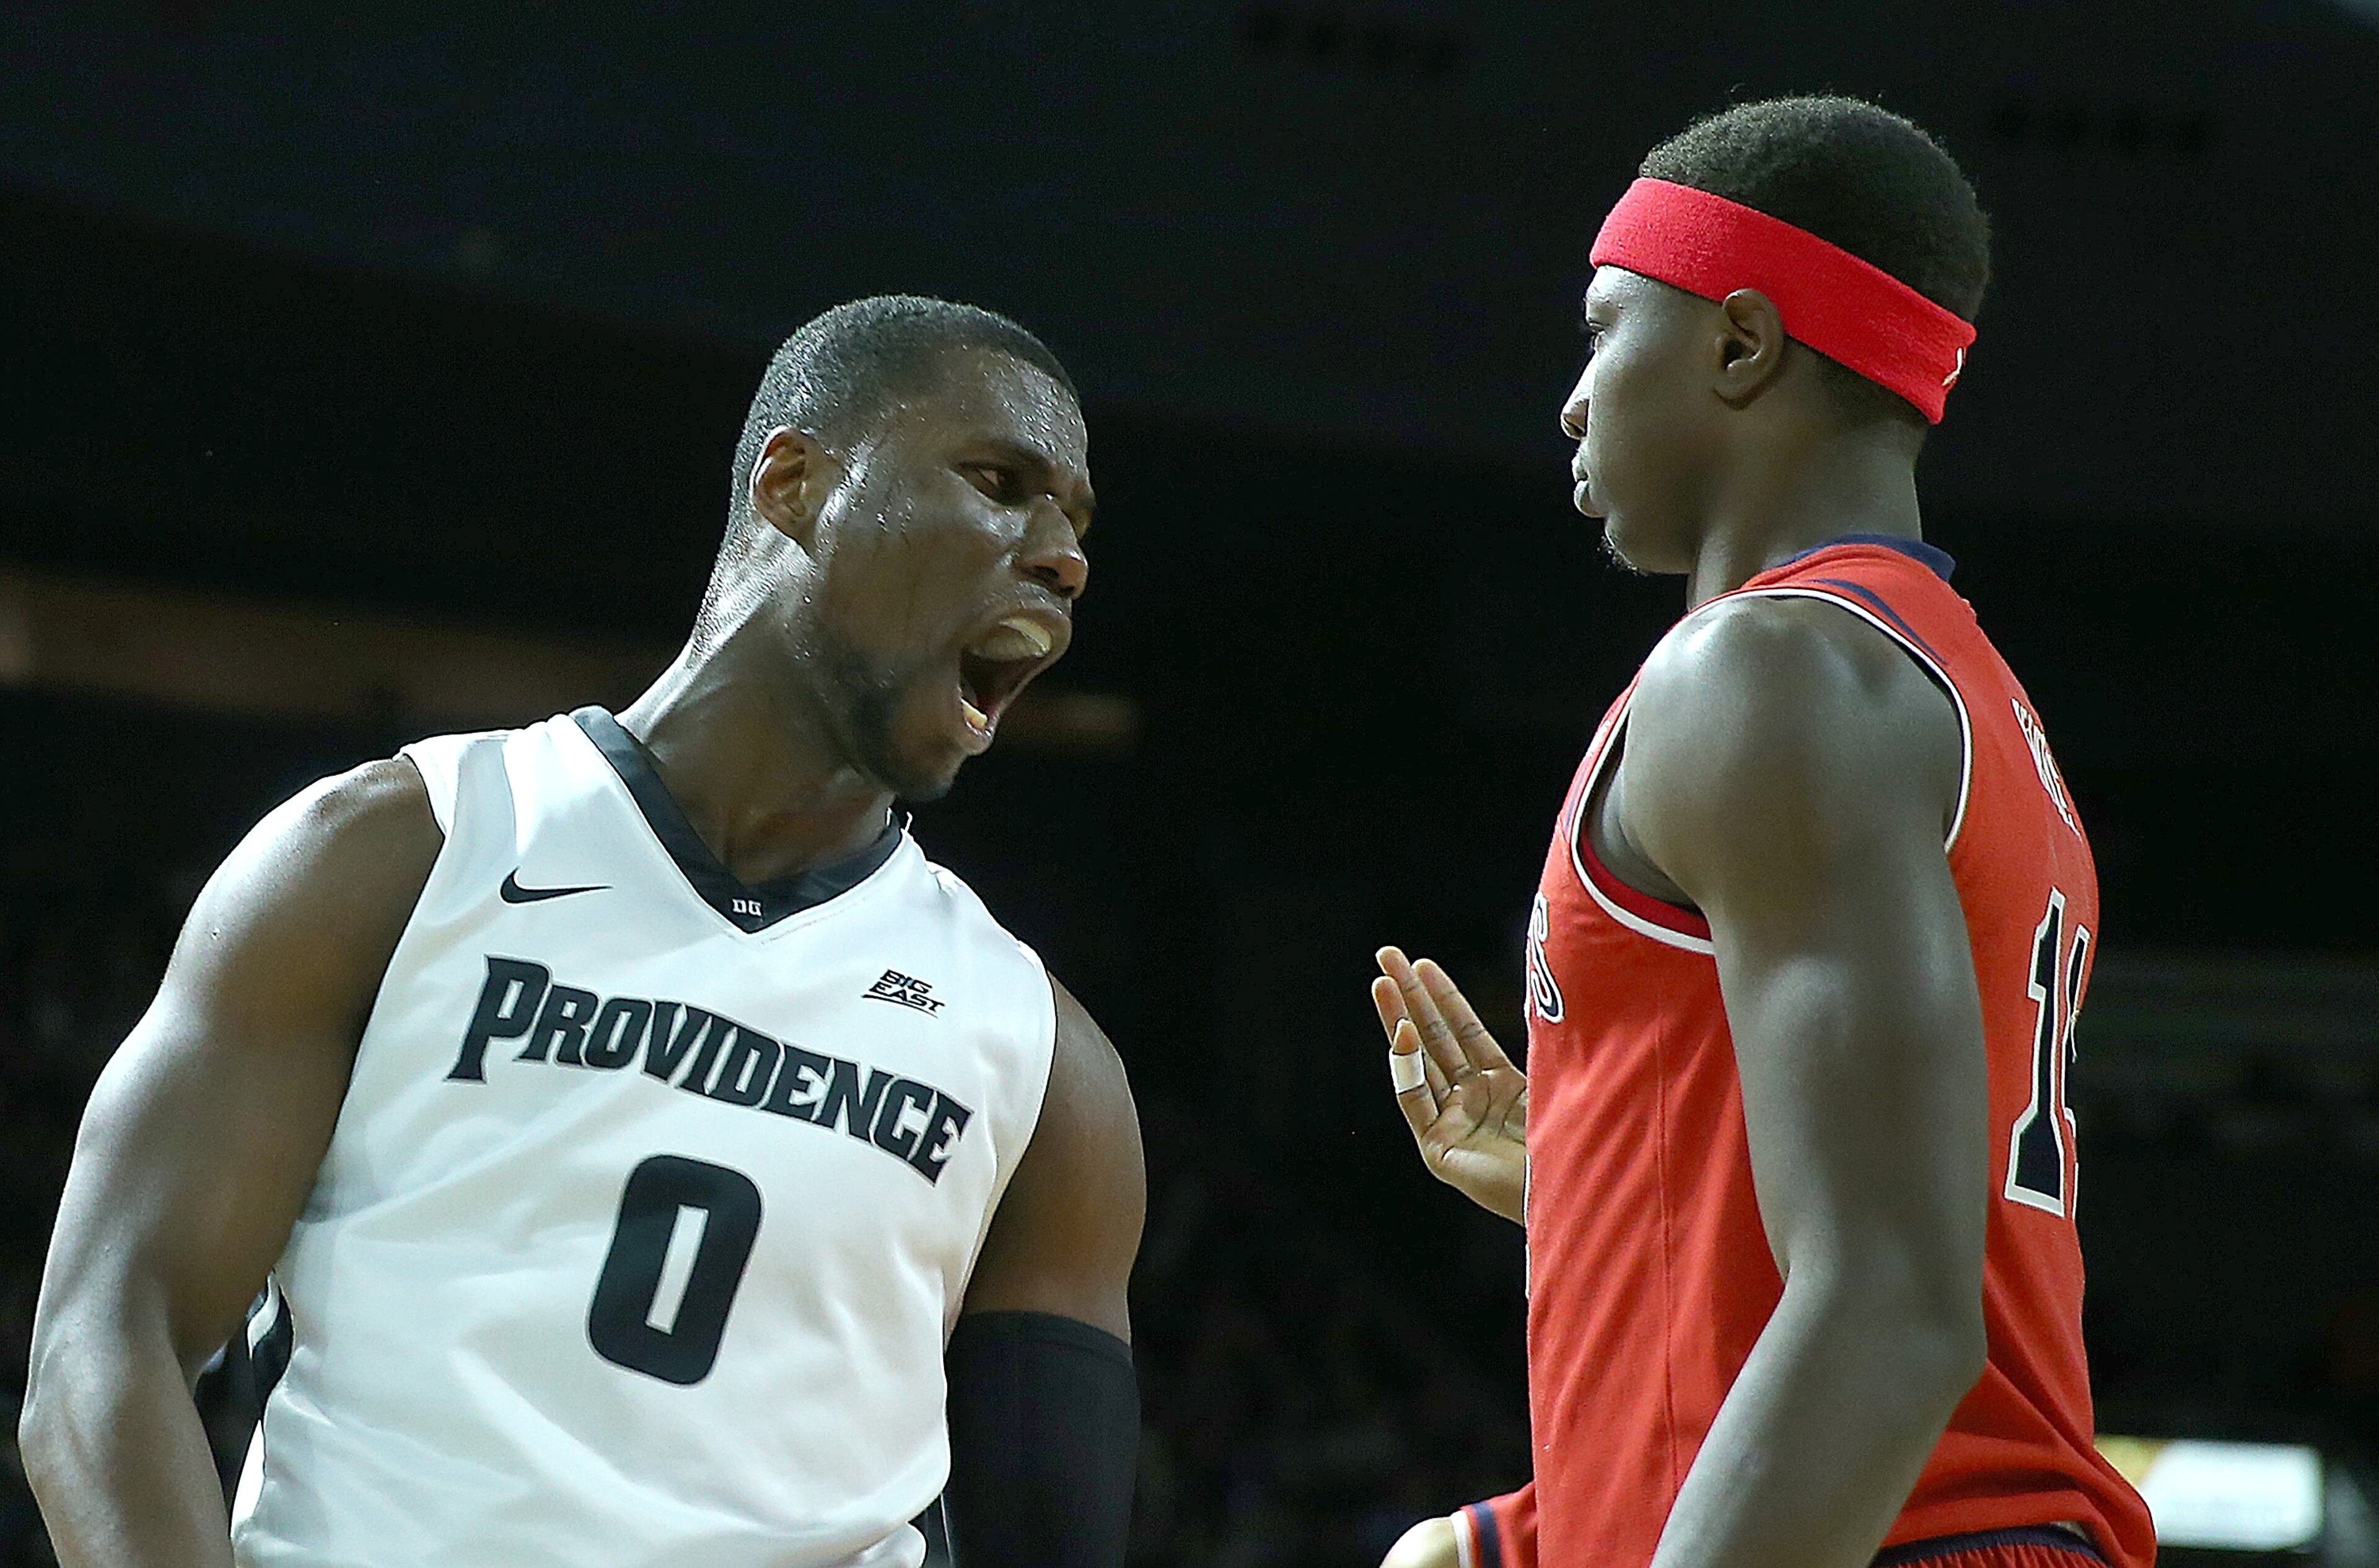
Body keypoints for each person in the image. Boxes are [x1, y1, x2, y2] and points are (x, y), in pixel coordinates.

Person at [19, 296, 1146, 1568]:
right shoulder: (396, 855)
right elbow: (106, 1342)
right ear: (794, 483)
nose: (1062, 553)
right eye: (1003, 482)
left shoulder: (1045, 1062)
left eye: (1079, 525)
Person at [1368, 98, 2155, 1568]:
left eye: (1606, 330)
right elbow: (1885, 1220)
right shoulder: (1951, 689)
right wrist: (1577, 1184)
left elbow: (1891, 1312)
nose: (1573, 397)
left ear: (1738, 345)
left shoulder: (1770, 671)